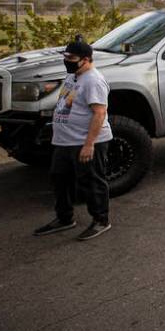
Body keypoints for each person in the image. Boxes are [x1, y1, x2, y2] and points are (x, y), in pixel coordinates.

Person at [33, 40, 114, 241]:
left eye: (71, 58)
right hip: (65, 141)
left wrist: (89, 145)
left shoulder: (93, 80)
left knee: (91, 182)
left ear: (86, 60)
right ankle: (64, 218)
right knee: (59, 178)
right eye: (65, 57)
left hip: (85, 141)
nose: (66, 61)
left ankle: (101, 220)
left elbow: (99, 113)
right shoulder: (73, 75)